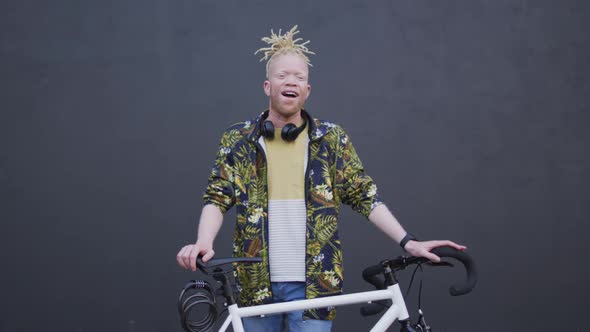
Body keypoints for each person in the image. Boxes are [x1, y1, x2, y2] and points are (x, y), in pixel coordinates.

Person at [176, 26, 466, 332]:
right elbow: (217, 197)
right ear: (267, 85)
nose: (291, 81)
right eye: (283, 75)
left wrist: (408, 242)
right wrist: (204, 242)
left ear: (307, 90)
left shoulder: (331, 139)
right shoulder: (239, 139)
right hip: (254, 286)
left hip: (316, 284)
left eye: (299, 77)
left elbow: (364, 195)